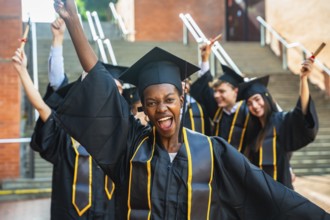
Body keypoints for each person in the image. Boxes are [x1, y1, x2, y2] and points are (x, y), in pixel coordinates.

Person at [49, 1, 330, 219]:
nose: (162, 109)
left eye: (169, 99)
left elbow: (268, 195)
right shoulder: (130, 146)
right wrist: (74, 19)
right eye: (151, 102)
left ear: (183, 98)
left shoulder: (213, 151)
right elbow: (98, 80)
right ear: (143, 109)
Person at [13, 18, 127, 219]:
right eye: (107, 90)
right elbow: (42, 106)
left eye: (117, 90)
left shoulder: (123, 134)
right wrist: (23, 71)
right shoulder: (67, 131)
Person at [236, 62, 319, 189]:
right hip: (260, 192)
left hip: (281, 190)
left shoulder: (281, 121)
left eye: (257, 99)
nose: (254, 106)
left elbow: (301, 113)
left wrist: (303, 79)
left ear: (266, 97)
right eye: (249, 103)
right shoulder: (253, 130)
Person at [190, 43, 250, 152]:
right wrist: (204, 58)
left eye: (222, 91)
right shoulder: (219, 111)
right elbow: (204, 89)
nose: (216, 95)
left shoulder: (248, 112)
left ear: (235, 91)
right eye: (215, 91)